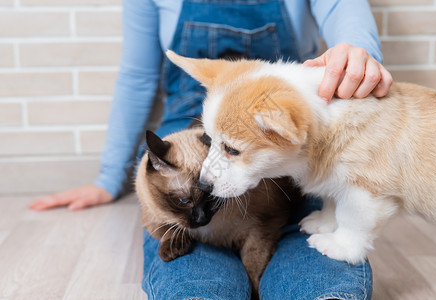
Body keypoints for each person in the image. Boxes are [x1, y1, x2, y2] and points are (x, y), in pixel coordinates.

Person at [29, 0, 393, 299]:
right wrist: (109, 177)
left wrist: (359, 62)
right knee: (191, 269)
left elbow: (348, 17)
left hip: (272, 127)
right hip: (192, 126)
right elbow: (138, 78)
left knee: (314, 238)